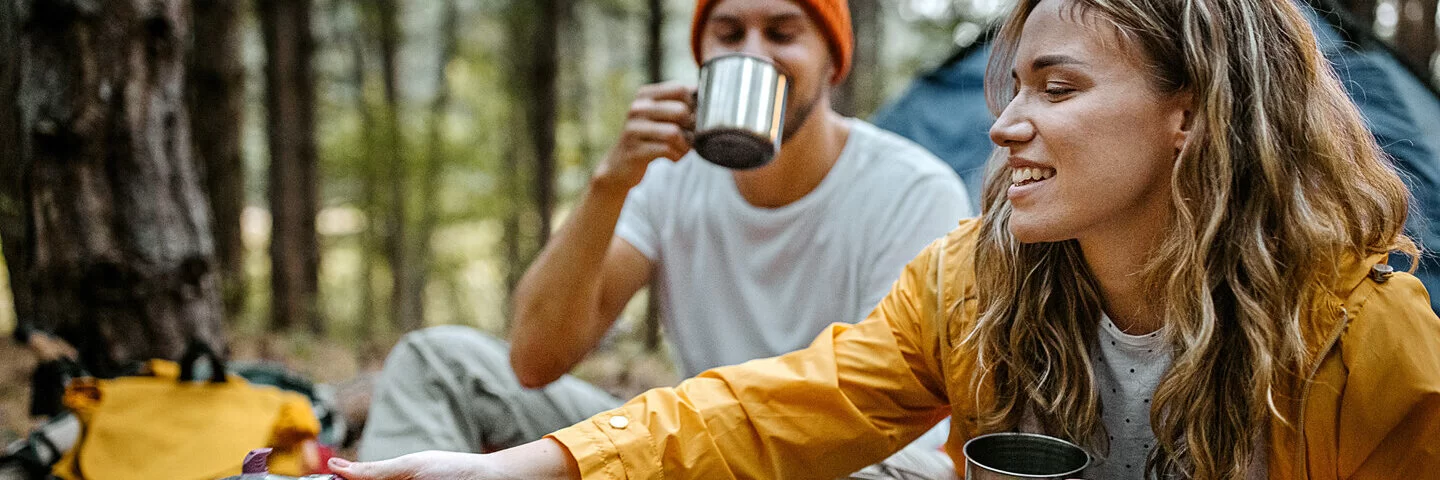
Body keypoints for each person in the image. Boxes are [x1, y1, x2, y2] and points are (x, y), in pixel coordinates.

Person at [334, 0, 1440, 478]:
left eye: (1056, 89)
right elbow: (767, 406)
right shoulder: (979, 286)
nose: (1007, 123)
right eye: (1014, 87)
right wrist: (531, 467)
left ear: (1188, 112)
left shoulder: (1362, 342)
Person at [354, 0, 971, 475]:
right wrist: (609, 185)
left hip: (856, 459)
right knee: (439, 361)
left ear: (834, 61)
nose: (753, 53)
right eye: (729, 35)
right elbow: (533, 361)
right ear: (702, 58)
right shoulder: (673, 177)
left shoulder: (912, 190)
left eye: (782, 33)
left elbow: (880, 413)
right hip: (688, 447)